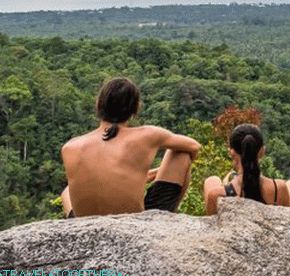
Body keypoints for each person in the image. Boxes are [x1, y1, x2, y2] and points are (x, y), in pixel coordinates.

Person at [60, 77, 201, 217]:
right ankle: (168, 218)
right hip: (135, 222)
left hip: (85, 224)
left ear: (98, 105)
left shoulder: (70, 147)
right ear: (135, 109)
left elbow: (107, 176)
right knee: (182, 153)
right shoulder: (148, 135)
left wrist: (145, 175)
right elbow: (194, 147)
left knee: (67, 191)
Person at [203, 124, 290, 215]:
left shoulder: (217, 195)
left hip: (232, 202)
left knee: (212, 180)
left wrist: (226, 186)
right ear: (262, 151)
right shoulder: (279, 188)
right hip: (272, 202)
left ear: (231, 153)